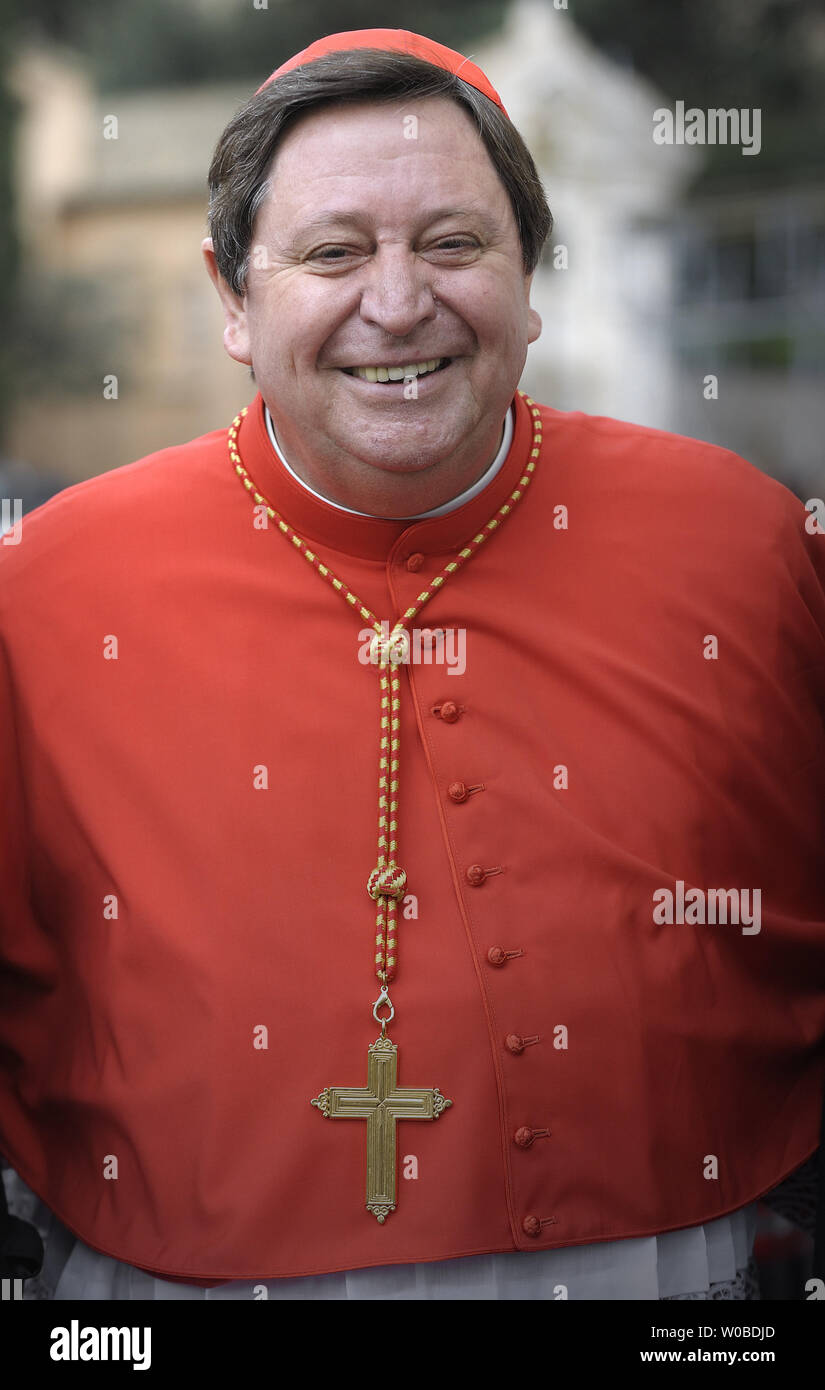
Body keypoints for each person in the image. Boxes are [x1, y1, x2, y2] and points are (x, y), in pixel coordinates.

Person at [1, 28, 823, 1303]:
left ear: (530, 278)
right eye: (333, 252)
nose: (398, 303)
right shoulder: (47, 587)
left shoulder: (744, 541)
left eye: (454, 243)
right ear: (230, 297)